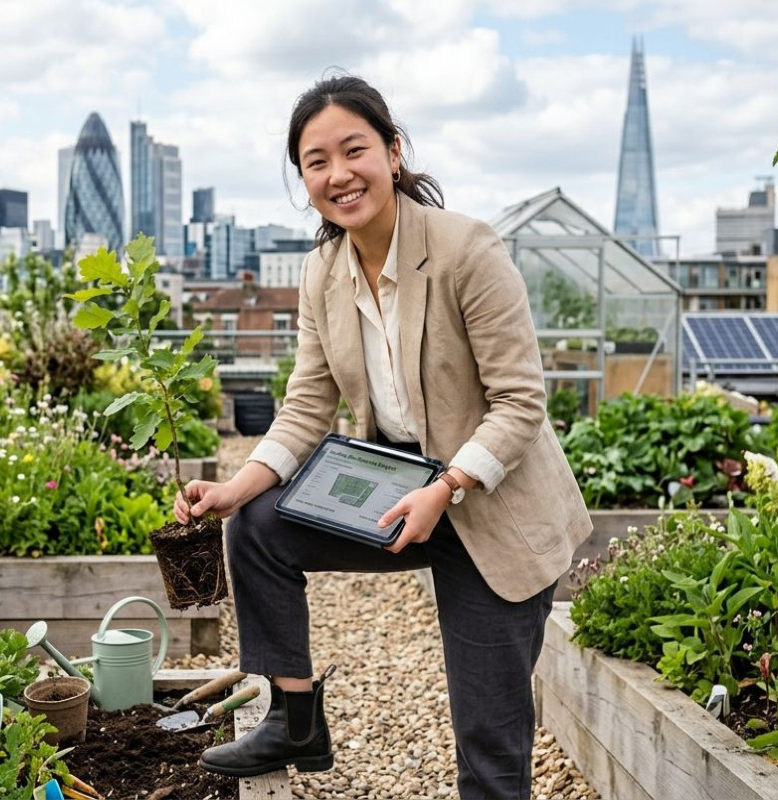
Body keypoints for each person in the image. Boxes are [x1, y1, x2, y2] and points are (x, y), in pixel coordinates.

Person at [173, 74, 592, 799]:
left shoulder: (465, 250)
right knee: (257, 527)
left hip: (493, 506)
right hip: (404, 490)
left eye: (354, 150)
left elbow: (520, 403)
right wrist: (236, 487)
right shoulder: (322, 271)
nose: (338, 174)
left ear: (394, 153)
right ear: (303, 178)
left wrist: (448, 486)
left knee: (489, 745)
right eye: (315, 161)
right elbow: (308, 403)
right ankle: (296, 718)